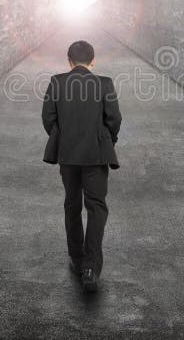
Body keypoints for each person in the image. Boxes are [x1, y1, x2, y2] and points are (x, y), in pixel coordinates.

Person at [41, 40, 122, 293]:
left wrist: (61, 138)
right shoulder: (104, 83)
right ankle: (91, 267)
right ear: (93, 60)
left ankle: (77, 259)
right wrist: (106, 139)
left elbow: (48, 117)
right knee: (96, 208)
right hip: (96, 156)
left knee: (72, 205)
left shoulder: (57, 82)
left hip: (68, 156)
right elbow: (114, 119)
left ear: (69, 61)